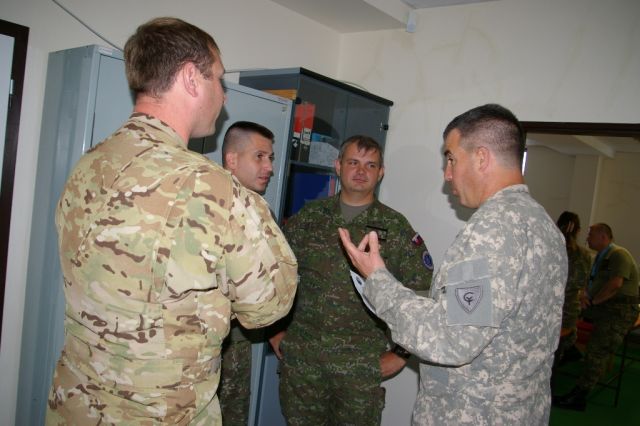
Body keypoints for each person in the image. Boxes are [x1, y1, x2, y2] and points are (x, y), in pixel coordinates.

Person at [46, 18, 297, 425]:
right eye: (219, 79)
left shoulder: (88, 166)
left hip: (77, 407)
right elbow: (268, 305)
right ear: (191, 78)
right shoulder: (216, 188)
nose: (224, 95)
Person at [339, 104, 568, 425]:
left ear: (481, 157)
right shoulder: (543, 224)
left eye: (451, 158)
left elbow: (450, 340)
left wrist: (377, 279)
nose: (447, 174)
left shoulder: (492, 230)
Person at [272, 135, 434, 425]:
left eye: (370, 165)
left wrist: (400, 354)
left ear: (381, 172)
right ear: (338, 166)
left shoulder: (395, 227)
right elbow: (274, 273)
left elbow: (421, 293)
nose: (361, 171)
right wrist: (274, 333)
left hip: (359, 367)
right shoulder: (310, 217)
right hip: (303, 363)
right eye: (353, 163)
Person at [219, 121, 275, 426]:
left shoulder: (259, 211)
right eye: (259, 157)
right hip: (202, 341)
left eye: (271, 158)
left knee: (233, 414)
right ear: (232, 160)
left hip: (239, 339)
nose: (269, 167)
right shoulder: (208, 208)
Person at [553, 223, 639, 411]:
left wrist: (594, 301)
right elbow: (597, 283)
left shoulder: (619, 255)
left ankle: (579, 396)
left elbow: (616, 284)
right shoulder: (602, 257)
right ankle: (571, 348)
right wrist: (586, 298)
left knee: (596, 351)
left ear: (603, 237)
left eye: (591, 234)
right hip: (605, 307)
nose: (587, 238)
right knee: (569, 316)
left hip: (618, 311)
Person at [552, 212, 592, 373]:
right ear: (578, 231)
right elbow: (583, 283)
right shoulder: (584, 255)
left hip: (549, 308)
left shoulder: (550, 249)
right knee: (561, 345)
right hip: (569, 310)